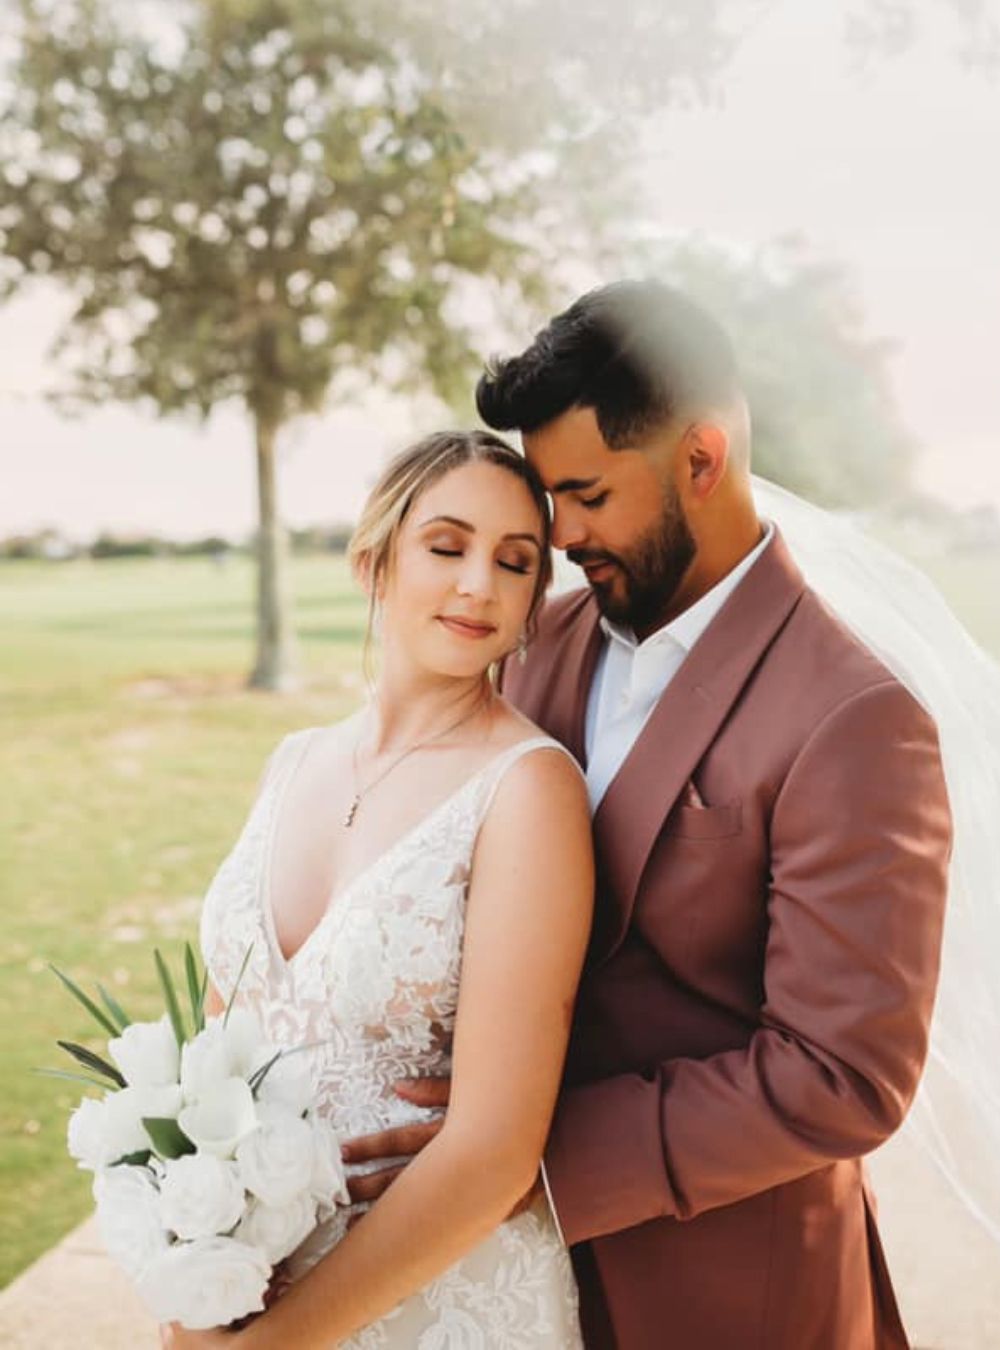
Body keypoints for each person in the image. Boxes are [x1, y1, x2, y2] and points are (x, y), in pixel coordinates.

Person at [342, 281, 956, 1349]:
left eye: (585, 493)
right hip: (501, 1283)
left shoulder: (857, 717)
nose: (559, 531)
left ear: (702, 461)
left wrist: (522, 1158)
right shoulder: (541, 638)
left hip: (725, 1291)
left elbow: (843, 1075)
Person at [165, 431, 593, 1348]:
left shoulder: (528, 790)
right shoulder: (292, 763)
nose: (479, 583)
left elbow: (494, 1152)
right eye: (447, 547)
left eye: (514, 564)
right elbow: (218, 1055)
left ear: (531, 604)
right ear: (375, 562)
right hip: (249, 1294)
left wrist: (275, 1346)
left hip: (439, 1301)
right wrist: (192, 1275)